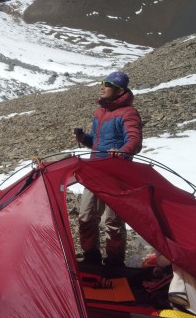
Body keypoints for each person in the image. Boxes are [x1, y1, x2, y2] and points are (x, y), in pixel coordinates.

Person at [74, 71, 143, 267]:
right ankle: (91, 256)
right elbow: (97, 142)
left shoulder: (129, 113)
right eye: (102, 82)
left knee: (112, 222)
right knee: (86, 217)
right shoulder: (99, 112)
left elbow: (134, 141)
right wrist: (83, 138)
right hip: (95, 172)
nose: (102, 86)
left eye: (108, 84)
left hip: (115, 174)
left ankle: (114, 262)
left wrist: (122, 152)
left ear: (119, 90)